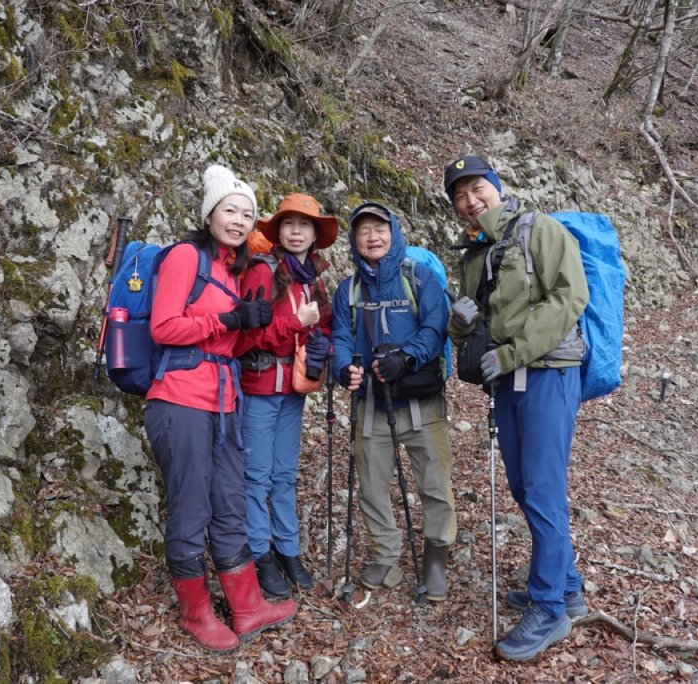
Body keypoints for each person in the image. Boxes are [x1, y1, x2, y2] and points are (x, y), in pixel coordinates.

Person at [144, 164, 296, 653]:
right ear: (209, 213)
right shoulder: (185, 257)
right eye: (230, 210)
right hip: (180, 397)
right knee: (191, 505)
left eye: (248, 215)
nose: (239, 220)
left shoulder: (232, 270)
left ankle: (248, 608)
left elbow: (227, 338)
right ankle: (196, 614)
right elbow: (164, 328)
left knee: (230, 501)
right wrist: (227, 318)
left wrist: (250, 322)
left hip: (225, 400)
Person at [443, 155, 590, 662]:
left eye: (477, 188)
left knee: (544, 490)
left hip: (547, 373)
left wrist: (511, 353)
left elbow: (570, 297)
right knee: (526, 487)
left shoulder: (539, 229)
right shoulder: (474, 254)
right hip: (507, 379)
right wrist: (460, 325)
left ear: (498, 188)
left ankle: (550, 610)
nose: (470, 200)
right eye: (460, 195)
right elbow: (476, 323)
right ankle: (567, 586)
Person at [331, 201, 457, 601]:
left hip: (420, 398)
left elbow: (436, 326)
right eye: (364, 230)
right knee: (370, 485)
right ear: (354, 240)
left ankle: (435, 558)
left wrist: (405, 357)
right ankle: (386, 553)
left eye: (380, 228)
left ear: (395, 232)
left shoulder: (420, 279)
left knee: (434, 483)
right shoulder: (348, 290)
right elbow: (339, 337)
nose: (373, 236)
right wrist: (342, 367)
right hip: (370, 401)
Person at [234, 193, 338, 598]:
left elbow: (324, 325)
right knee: (256, 477)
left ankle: (287, 550)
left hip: (293, 391)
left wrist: (322, 344)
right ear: (278, 230)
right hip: (259, 388)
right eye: (289, 224)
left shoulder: (312, 276)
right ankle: (260, 554)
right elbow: (246, 337)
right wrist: (296, 323)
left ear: (315, 235)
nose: (297, 232)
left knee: (283, 475)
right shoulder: (263, 272)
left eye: (305, 225)